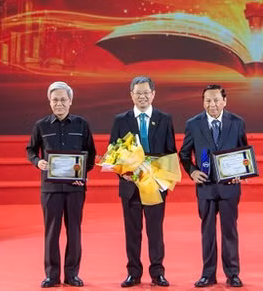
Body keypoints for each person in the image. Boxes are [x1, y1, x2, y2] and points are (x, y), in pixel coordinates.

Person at [26, 81, 96, 288]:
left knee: (74, 230)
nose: (59, 104)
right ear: (49, 102)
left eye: (63, 100)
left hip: (75, 187)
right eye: (55, 100)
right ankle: (52, 275)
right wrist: (37, 162)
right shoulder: (41, 126)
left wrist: (84, 173)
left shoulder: (82, 124)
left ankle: (72, 274)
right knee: (51, 231)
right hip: (50, 188)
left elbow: (90, 152)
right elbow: (31, 150)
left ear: (70, 101)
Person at [109, 76, 177, 287]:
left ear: (153, 94)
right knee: (132, 231)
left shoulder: (164, 118)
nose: (142, 97)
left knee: (155, 231)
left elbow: (170, 152)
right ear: (131, 95)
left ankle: (157, 273)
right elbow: (113, 152)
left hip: (155, 186)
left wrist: (162, 180)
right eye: (138, 93)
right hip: (130, 186)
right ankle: (133, 273)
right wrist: (122, 172)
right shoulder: (121, 120)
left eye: (146, 92)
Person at [179, 84, 248, 288]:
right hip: (205, 188)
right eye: (208, 100)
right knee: (207, 232)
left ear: (224, 101)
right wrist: (192, 171)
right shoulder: (193, 124)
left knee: (230, 231)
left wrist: (241, 173)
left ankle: (233, 274)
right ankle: (208, 274)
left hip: (229, 187)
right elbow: (184, 154)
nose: (212, 104)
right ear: (203, 102)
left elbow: (244, 152)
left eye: (216, 100)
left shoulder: (237, 122)